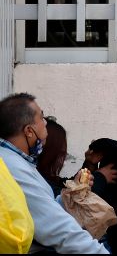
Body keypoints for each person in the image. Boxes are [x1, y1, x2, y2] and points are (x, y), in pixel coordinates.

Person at [0, 93, 109, 254]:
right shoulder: (12, 167)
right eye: (41, 118)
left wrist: (73, 191)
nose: (46, 123)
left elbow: (45, 206)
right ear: (29, 131)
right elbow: (59, 229)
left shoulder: (19, 161)